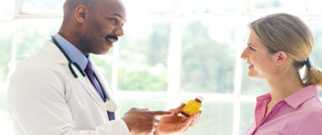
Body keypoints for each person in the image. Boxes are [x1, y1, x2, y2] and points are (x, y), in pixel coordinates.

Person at [7, 0, 198, 135]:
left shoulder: (87, 71)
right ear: (81, 14)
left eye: (122, 24)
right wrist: (126, 126)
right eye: (114, 20)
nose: (120, 32)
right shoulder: (36, 73)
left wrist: (154, 129)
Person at [241, 13, 322, 135]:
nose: (243, 55)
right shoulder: (266, 106)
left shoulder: (316, 118)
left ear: (279, 58)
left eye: (251, 48)